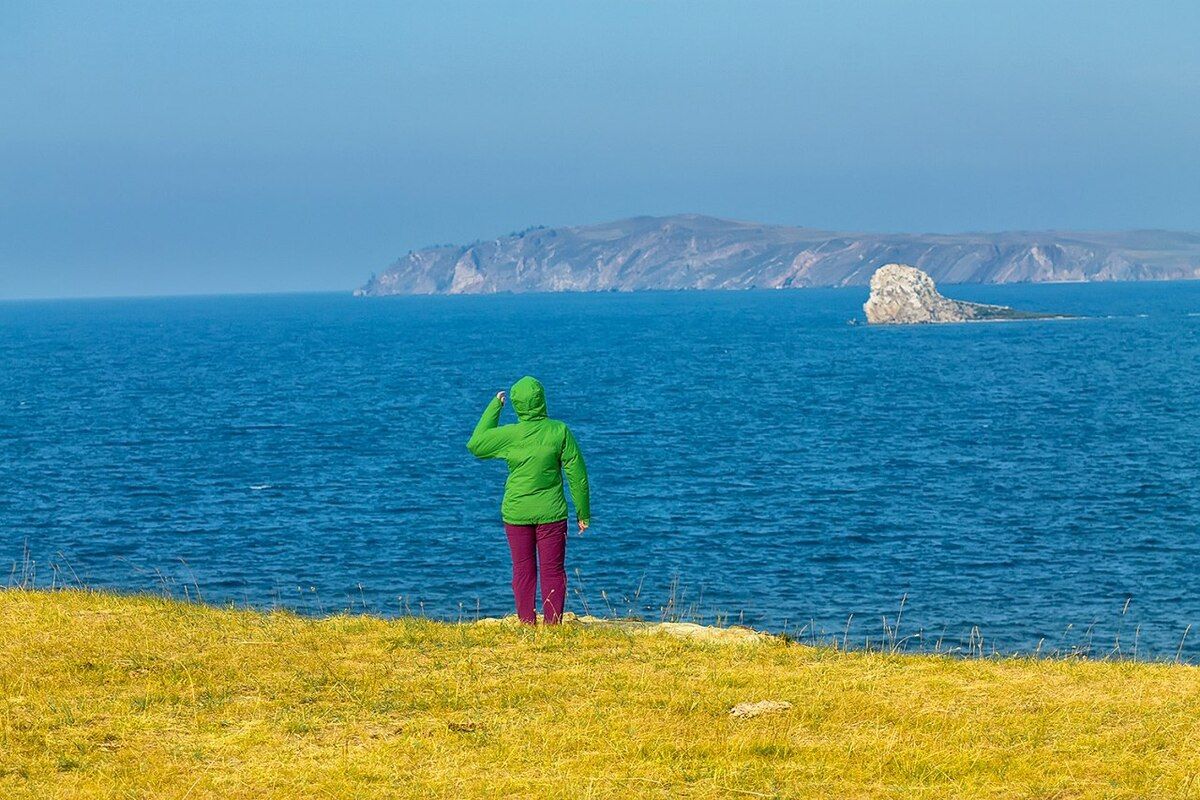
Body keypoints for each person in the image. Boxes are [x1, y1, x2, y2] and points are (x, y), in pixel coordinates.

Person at [467, 376, 590, 624]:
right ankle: (552, 625)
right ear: (542, 399)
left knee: (523, 571)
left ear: (516, 404)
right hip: (552, 513)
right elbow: (577, 474)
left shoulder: (510, 435)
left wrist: (494, 407)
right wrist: (583, 513)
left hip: (516, 513)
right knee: (553, 571)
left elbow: (476, 444)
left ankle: (526, 625)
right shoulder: (559, 431)